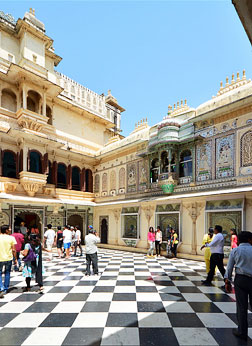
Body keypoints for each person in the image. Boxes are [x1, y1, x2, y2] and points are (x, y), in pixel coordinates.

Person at [224, 231, 252, 341]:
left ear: (239, 240)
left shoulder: (236, 250)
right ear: (250, 240)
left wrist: (227, 281)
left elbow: (229, 267)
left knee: (241, 307)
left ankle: (242, 332)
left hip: (241, 280)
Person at [0, 225, 17, 297]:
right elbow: (13, 249)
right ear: (6, 230)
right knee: (7, 273)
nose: (10, 229)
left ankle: (1, 287)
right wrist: (15, 258)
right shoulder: (11, 238)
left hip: (0, 258)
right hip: (8, 258)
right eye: (9, 229)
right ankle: (5, 288)